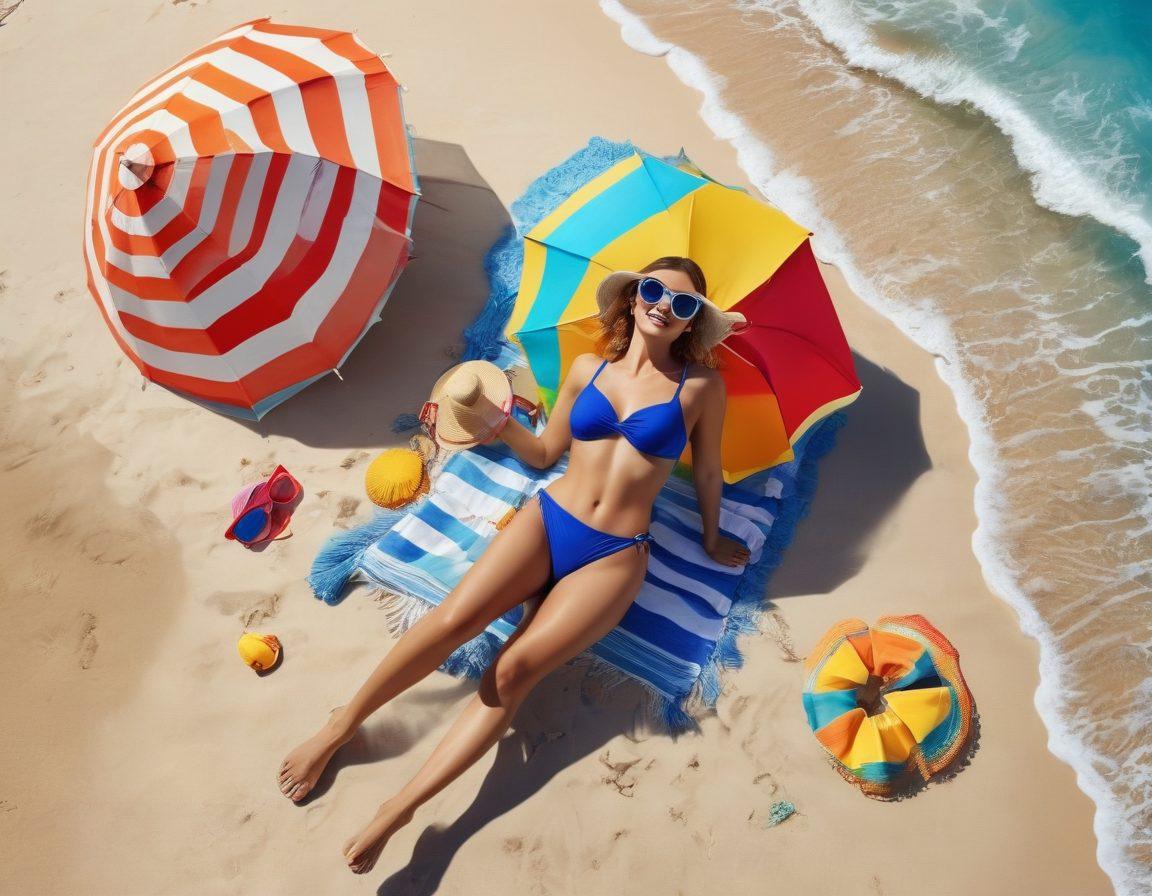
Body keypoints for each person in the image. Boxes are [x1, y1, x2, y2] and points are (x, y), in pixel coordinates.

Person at [278, 256, 751, 874]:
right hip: (549, 519)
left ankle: (402, 808)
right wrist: (498, 427)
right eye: (656, 291)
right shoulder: (588, 368)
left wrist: (713, 538)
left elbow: (709, 469)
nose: (665, 306)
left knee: (510, 673)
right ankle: (340, 726)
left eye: (684, 304)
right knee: (453, 618)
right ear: (635, 297)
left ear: (692, 322)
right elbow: (547, 451)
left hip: (612, 555)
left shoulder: (700, 388)